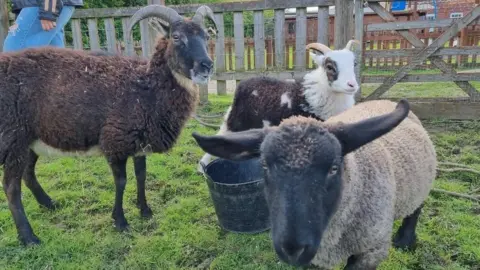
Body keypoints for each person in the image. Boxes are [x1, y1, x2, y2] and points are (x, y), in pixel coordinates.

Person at [3, 0, 84, 52]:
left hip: (42, 4)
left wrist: (48, 7)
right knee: (54, 62)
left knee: (13, 54)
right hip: (43, 5)